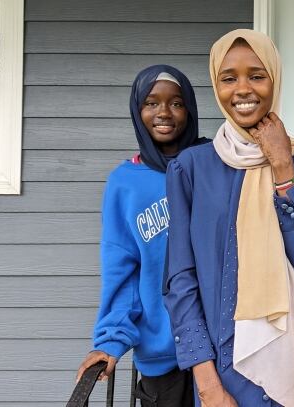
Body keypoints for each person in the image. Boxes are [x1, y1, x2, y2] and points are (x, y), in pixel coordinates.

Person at [163, 29, 294, 407]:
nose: (243, 89)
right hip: (222, 361)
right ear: (216, 84)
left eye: (256, 76)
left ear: (274, 79)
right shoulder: (190, 169)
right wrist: (205, 379)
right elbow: (180, 279)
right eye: (229, 78)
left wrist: (281, 165)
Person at [76, 65, 206, 406]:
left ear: (189, 110)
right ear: (138, 110)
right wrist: (110, 341)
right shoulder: (124, 182)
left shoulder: (209, 167)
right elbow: (122, 267)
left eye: (176, 103)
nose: (163, 112)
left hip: (222, 348)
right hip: (163, 356)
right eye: (151, 103)